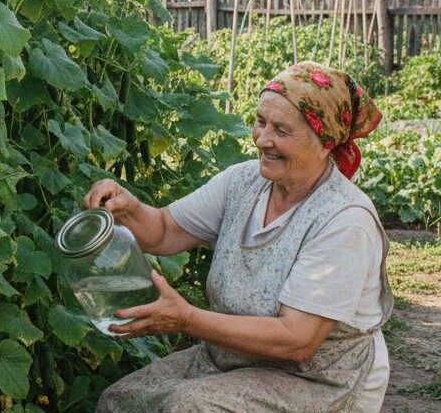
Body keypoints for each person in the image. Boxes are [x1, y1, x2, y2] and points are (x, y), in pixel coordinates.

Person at [84, 61, 392, 412]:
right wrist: (126, 208)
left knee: (190, 408)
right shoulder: (244, 182)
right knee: (120, 402)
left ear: (325, 142)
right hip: (232, 361)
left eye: (281, 129)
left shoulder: (344, 220)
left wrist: (186, 319)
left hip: (315, 378)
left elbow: (297, 341)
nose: (263, 139)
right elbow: (166, 231)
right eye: (261, 122)